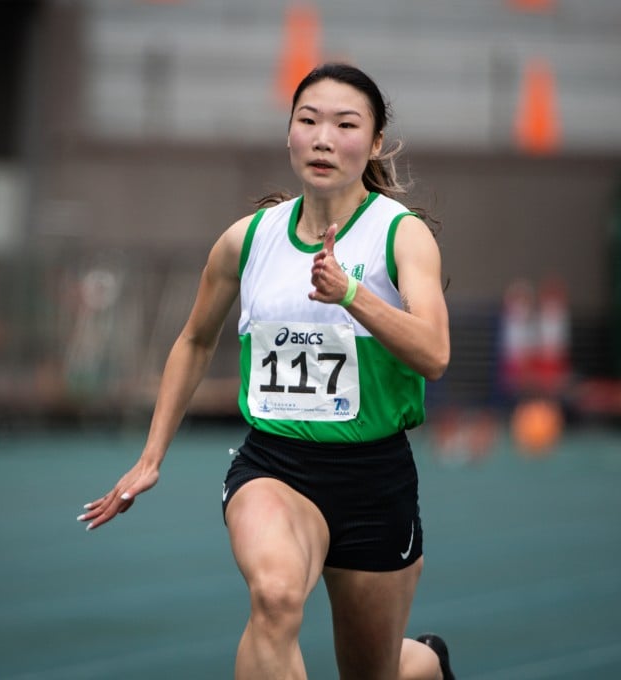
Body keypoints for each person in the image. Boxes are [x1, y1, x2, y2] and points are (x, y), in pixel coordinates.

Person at [78, 62, 455, 680]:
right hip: (275, 467)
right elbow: (195, 341)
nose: (324, 138)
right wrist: (151, 457)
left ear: (376, 142)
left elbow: (435, 354)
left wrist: (352, 296)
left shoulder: (401, 236)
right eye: (307, 120)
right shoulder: (247, 241)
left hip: (374, 478)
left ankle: (428, 662)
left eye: (345, 124)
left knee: (373, 671)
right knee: (276, 597)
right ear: (289, 134)